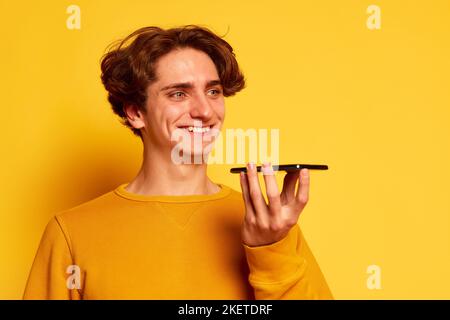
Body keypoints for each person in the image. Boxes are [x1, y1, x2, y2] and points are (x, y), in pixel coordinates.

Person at [23, 25, 333, 299]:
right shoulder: (71, 232)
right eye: (178, 94)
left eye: (213, 91)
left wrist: (270, 249)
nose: (205, 111)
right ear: (135, 112)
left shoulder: (268, 221)